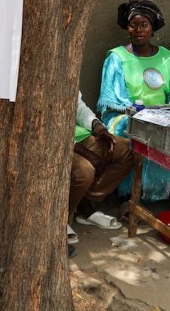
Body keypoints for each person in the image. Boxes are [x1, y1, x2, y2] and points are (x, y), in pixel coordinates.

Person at [97, 0, 170, 201]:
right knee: (136, 130)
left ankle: (163, 192)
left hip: (163, 114)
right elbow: (110, 97)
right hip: (125, 115)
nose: (138, 30)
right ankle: (131, 196)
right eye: (133, 25)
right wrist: (136, 111)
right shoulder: (117, 58)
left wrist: (169, 110)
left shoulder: (165, 57)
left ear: (153, 28)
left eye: (144, 25)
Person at [68, 92, 133, 243]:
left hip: (80, 137)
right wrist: (86, 153)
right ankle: (60, 219)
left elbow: (78, 106)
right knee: (85, 171)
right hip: (58, 144)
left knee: (127, 151)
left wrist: (98, 127)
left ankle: (83, 206)